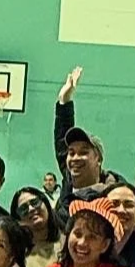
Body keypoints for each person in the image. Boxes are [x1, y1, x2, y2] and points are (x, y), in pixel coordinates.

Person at [52, 66, 125, 213]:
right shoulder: (69, 180)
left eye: (83, 152)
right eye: (71, 153)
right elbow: (61, 137)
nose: (75, 158)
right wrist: (64, 101)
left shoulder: (117, 196)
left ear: (98, 158)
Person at [11, 187, 62, 267]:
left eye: (35, 202)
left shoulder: (69, 236)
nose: (31, 209)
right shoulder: (20, 255)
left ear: (46, 204)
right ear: (19, 221)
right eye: (23, 209)